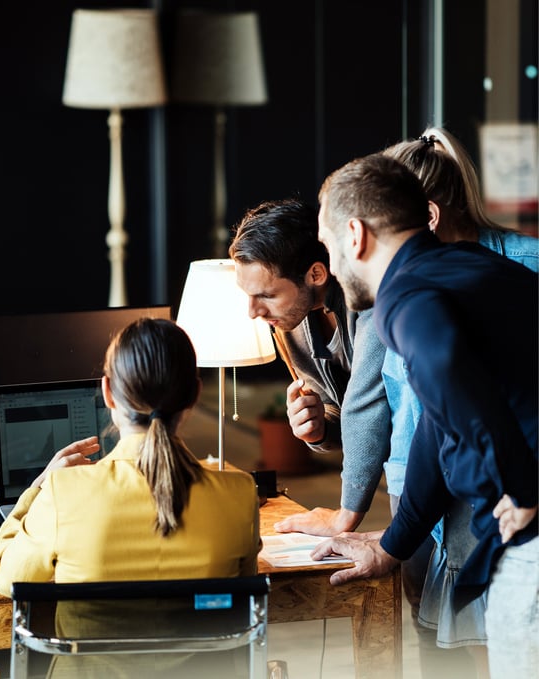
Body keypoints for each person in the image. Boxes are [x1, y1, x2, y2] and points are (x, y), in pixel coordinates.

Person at [312, 152, 538, 679]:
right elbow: (439, 423)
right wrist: (395, 544)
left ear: (355, 234)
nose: (328, 261)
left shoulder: (404, 296)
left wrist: (524, 488)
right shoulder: (470, 271)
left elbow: (445, 364)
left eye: (326, 243)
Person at [379, 126, 539, 674]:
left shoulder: (510, 269)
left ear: (426, 218)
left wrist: (523, 486)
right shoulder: (413, 287)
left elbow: (462, 399)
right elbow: (421, 414)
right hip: (435, 486)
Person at [0, 317, 261, 597]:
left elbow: (7, 579)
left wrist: (37, 489)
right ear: (195, 395)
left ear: (107, 392)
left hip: (94, 644)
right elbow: (240, 593)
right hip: (205, 643)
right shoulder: (240, 494)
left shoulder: (63, 492)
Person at [228, 198, 391, 534]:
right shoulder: (288, 320)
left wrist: (344, 516)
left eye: (267, 295)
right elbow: (338, 411)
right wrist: (318, 429)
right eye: (248, 295)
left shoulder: (370, 298)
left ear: (316, 273)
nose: (253, 312)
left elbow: (369, 407)